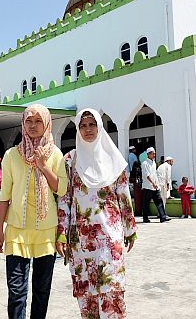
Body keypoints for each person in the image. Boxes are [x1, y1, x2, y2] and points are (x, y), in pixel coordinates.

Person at [56, 109, 137, 319]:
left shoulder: (113, 158)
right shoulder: (70, 160)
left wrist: (130, 229)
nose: (88, 129)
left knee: (112, 291)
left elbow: (123, 196)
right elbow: (65, 199)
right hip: (80, 240)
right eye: (83, 126)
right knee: (87, 295)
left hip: (110, 238)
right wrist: (62, 232)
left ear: (100, 127)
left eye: (92, 124)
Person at [0, 104, 68, 319]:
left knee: (41, 291)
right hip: (16, 231)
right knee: (17, 291)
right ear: (23, 124)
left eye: (38, 121)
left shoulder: (55, 154)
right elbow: (4, 195)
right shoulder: (11, 155)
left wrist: (44, 165)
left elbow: (61, 188)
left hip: (46, 232)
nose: (33, 126)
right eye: (29, 121)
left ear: (46, 124)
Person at [141, 147, 171, 223]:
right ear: (148, 154)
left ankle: (163, 217)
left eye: (154, 153)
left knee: (159, 201)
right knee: (146, 203)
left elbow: (154, 174)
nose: (154, 155)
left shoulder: (154, 163)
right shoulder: (145, 163)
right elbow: (147, 175)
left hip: (155, 186)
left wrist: (157, 184)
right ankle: (145, 218)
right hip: (148, 186)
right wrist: (153, 183)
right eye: (152, 153)